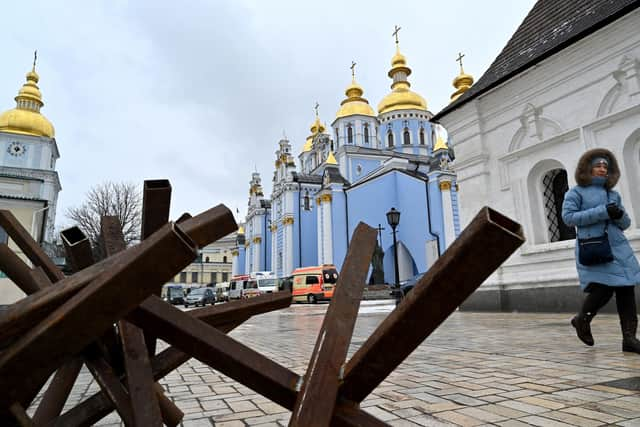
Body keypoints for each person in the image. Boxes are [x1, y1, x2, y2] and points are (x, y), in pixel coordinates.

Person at [562, 148, 640, 353]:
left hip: (619, 248)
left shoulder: (613, 194)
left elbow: (625, 224)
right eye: (598, 165)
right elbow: (569, 218)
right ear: (587, 168)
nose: (602, 169)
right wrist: (602, 211)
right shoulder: (575, 192)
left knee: (627, 289)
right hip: (595, 246)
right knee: (603, 289)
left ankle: (630, 339)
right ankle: (582, 320)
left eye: (606, 166)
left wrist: (618, 214)